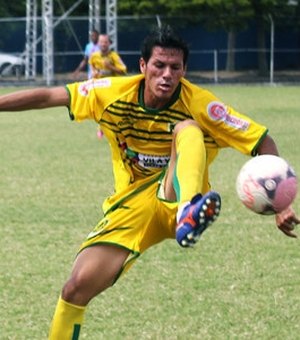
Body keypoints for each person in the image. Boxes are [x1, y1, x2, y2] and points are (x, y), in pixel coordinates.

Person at [0, 25, 299, 339]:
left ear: (184, 70)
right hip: (132, 206)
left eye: (175, 67)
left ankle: (188, 211)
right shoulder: (111, 93)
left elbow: (262, 140)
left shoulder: (202, 103)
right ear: (143, 66)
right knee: (75, 289)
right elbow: (50, 95)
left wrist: (281, 204)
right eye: (159, 65)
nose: (167, 74)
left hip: (181, 196)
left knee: (187, 128)